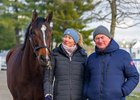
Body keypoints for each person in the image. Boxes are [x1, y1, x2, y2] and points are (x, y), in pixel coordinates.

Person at [84, 25, 139, 100]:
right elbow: (87, 78)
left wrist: (123, 91)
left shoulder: (123, 55)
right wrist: (86, 92)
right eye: (97, 38)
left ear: (109, 38)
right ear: (94, 41)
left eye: (102, 37)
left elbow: (134, 76)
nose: (100, 41)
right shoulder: (91, 58)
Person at [44, 28, 87, 100]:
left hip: (79, 97)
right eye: (65, 37)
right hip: (59, 97)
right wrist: (48, 93)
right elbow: (48, 76)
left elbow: (87, 78)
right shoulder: (55, 54)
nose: (66, 39)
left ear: (75, 41)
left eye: (69, 38)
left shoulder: (83, 56)